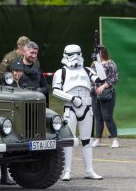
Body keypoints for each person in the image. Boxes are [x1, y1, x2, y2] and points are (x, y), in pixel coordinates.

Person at [52, 44, 105, 181]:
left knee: (87, 140)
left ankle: (89, 170)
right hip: (70, 108)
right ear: (65, 55)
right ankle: (67, 171)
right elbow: (56, 90)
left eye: (77, 53)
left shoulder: (87, 70)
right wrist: (72, 98)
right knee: (69, 140)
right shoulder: (61, 72)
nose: (74, 57)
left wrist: (98, 60)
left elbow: (101, 79)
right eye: (71, 54)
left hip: (87, 107)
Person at [91, 45, 119, 148]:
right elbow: (91, 78)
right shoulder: (94, 65)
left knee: (107, 117)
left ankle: (115, 139)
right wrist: (94, 88)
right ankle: (98, 139)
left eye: (98, 52)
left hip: (107, 93)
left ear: (102, 53)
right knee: (98, 117)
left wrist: (103, 87)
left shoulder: (110, 64)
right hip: (95, 94)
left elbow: (114, 78)